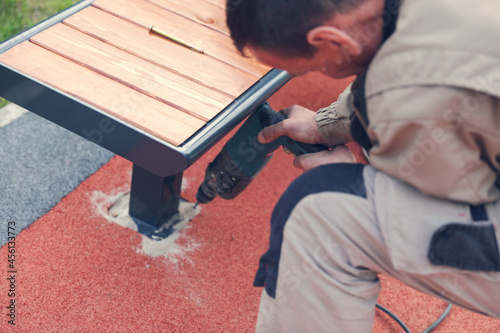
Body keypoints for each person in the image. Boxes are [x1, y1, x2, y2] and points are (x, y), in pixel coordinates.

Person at [226, 0, 500, 331]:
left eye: (307, 67)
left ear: (333, 39)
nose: (316, 73)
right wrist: (326, 125)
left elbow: (447, 189)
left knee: (321, 210)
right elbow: (392, 65)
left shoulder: (412, 89)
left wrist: (352, 170)